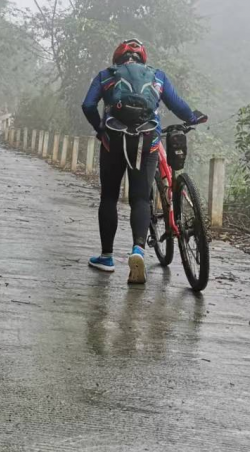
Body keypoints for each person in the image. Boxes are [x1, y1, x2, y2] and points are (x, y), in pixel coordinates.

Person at [81, 39, 203, 284]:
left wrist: (100, 128)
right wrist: (192, 117)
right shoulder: (157, 76)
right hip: (147, 144)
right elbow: (176, 104)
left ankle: (106, 258)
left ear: (118, 58)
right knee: (140, 198)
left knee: (109, 197)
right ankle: (138, 250)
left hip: (112, 143)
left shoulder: (106, 76)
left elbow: (88, 105)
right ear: (142, 59)